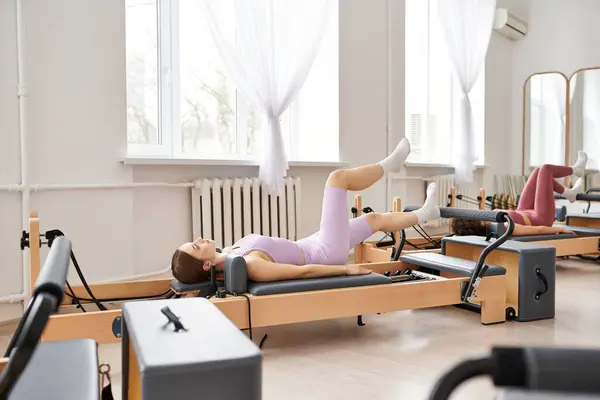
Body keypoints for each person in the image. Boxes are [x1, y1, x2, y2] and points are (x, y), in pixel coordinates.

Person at [171, 138, 442, 283]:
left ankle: (426, 213)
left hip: (313, 244)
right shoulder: (251, 266)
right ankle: (388, 166)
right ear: (205, 265)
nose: (199, 240)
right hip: (324, 253)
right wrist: (346, 271)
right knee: (337, 179)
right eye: (195, 247)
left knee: (373, 220)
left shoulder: (231, 253)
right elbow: (302, 273)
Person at [451, 152, 588, 237]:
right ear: (478, 222)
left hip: (523, 211)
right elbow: (537, 230)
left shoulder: (490, 220)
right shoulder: (503, 227)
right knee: (546, 169)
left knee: (537, 172)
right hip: (540, 217)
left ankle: (569, 194)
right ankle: (576, 170)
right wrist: (560, 230)